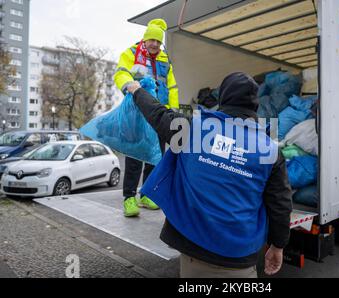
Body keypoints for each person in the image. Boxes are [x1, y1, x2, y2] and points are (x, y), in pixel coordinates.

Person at [127, 72, 293, 278]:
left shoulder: (192, 129)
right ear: (255, 104)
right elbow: (280, 204)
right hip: (240, 256)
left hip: (193, 250)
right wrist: (278, 246)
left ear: (222, 98)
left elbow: (158, 113)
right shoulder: (270, 149)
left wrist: (137, 91)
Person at [113, 19, 179, 217]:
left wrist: (172, 111)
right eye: (152, 40)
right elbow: (120, 74)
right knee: (135, 157)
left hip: (159, 114)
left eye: (158, 42)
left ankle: (146, 194)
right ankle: (129, 198)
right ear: (145, 38)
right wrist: (129, 86)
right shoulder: (131, 53)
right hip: (137, 111)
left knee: (155, 157)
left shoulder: (164, 60)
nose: (155, 45)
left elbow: (172, 87)